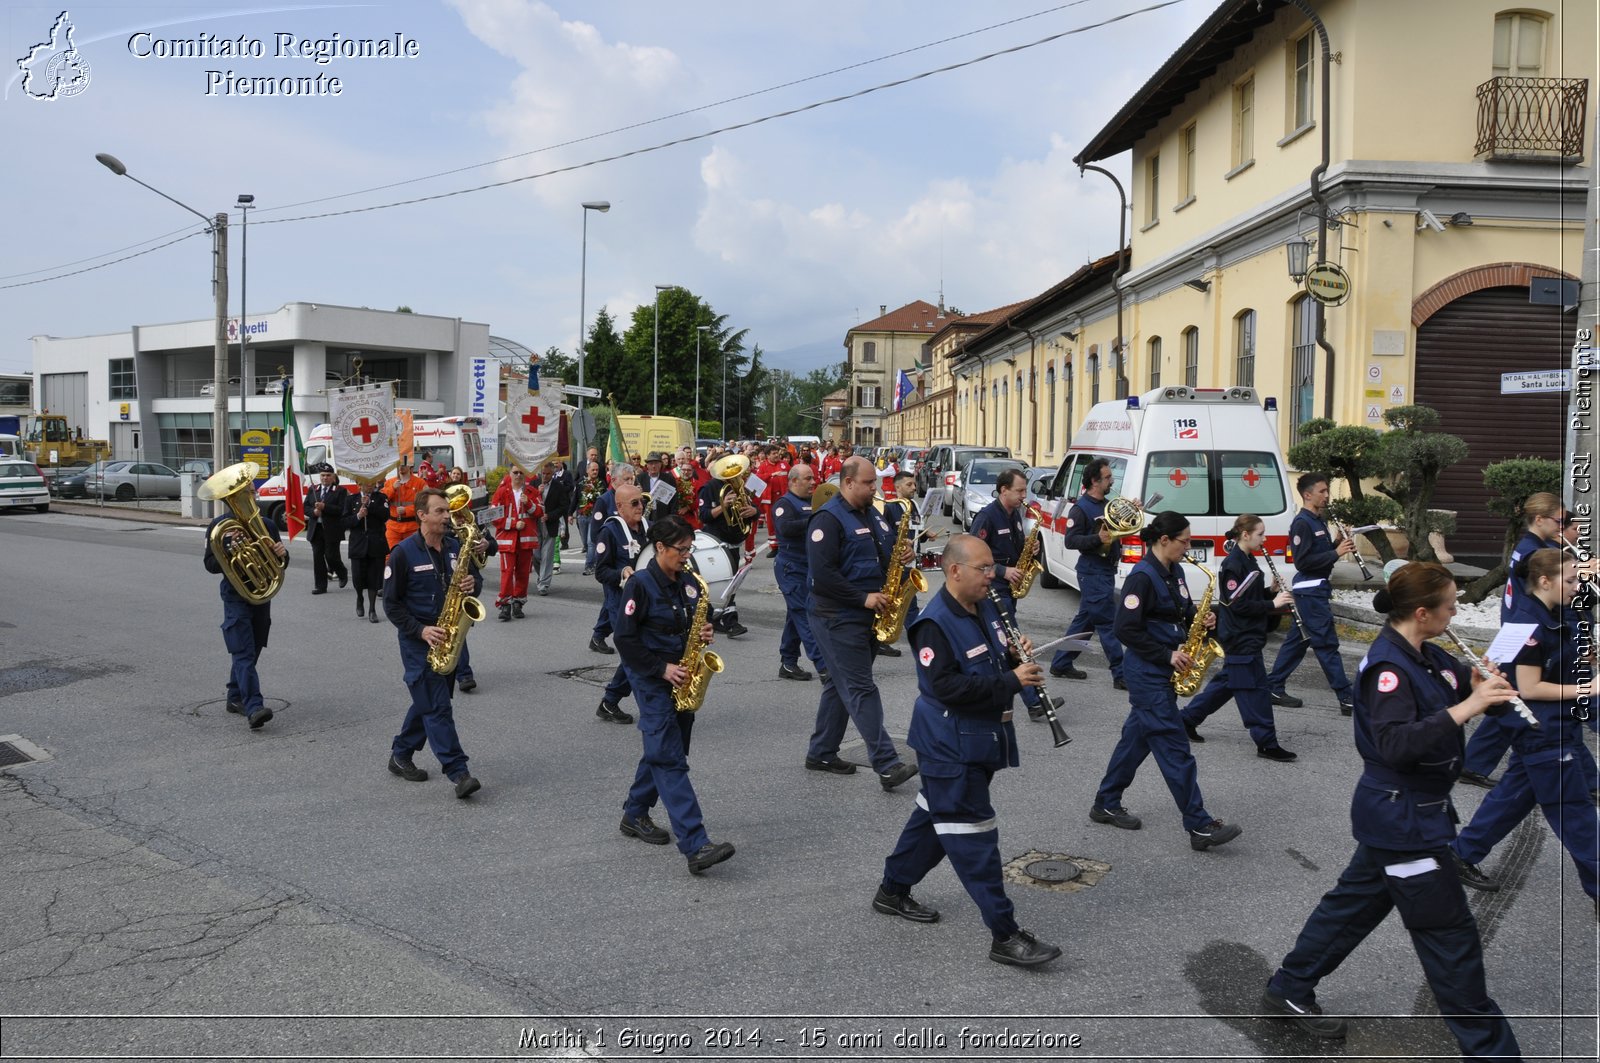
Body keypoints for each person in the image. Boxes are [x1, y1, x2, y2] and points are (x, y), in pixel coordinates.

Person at [1261, 562, 1522, 1058]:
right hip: (1404, 820)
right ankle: (1493, 1052)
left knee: (1353, 905)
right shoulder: (1387, 667)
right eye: (1450, 606)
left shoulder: (1427, 652)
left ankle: (1289, 987)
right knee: (1451, 942)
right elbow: (1397, 743)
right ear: (1422, 613)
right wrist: (1468, 707)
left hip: (1406, 815)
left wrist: (1477, 682)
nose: (1455, 611)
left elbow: (1452, 687)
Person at [873, 533, 1063, 967]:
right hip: (950, 745)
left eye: (993, 567)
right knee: (974, 838)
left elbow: (991, 657)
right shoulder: (934, 624)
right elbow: (945, 687)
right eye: (984, 568)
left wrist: (1015, 656)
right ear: (954, 570)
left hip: (978, 739)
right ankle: (1006, 934)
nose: (992, 575)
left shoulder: (985, 605)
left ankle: (892, 889)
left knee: (933, 820)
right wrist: (1011, 681)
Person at [1088, 511, 1241, 849]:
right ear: (1164, 540)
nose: (1188, 547)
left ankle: (1105, 803)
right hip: (1147, 674)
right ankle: (1199, 826)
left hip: (1162, 672)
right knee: (1175, 749)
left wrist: (1201, 619)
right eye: (1184, 541)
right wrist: (1167, 654)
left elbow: (1181, 610)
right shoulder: (1141, 577)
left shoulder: (1176, 571)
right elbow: (1125, 628)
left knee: (1135, 740)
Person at [1450, 549, 1597, 900]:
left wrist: (1582, 655)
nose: (1577, 587)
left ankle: (1460, 853)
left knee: (1514, 796)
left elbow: (1500, 661)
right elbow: (1529, 687)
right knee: (1577, 817)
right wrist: (1587, 687)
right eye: (1571, 580)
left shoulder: (1549, 613)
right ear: (1545, 581)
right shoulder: (1528, 623)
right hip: (1542, 731)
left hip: (1548, 729)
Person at [615, 515, 736, 875]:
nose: (687, 556)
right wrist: (661, 668)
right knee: (669, 758)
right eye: (682, 550)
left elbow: (697, 617)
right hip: (652, 676)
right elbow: (624, 638)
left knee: (667, 748)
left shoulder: (689, 582)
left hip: (683, 675)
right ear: (661, 548)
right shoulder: (638, 585)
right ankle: (695, 844)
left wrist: (703, 631)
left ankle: (635, 813)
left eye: (690, 549)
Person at [804, 456, 919, 790]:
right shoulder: (827, 520)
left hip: (867, 615)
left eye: (876, 483)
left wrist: (903, 554)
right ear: (848, 482)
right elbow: (823, 576)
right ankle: (886, 764)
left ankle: (822, 751)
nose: (876, 488)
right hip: (836, 616)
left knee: (839, 685)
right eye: (869, 483)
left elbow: (885, 555)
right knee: (860, 687)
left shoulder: (874, 513)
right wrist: (862, 597)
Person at [1458, 492, 1567, 788]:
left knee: (1511, 697)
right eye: (1559, 520)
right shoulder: (1534, 551)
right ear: (1540, 519)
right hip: (1525, 630)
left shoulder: (1535, 545)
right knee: (1513, 697)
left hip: (1521, 627)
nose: (1563, 525)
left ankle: (1474, 763)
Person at [384, 488, 487, 799]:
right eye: (440, 511)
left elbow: (474, 584)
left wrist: (473, 583)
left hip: (449, 635)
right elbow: (391, 605)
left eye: (447, 511)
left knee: (428, 702)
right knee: (438, 707)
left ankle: (401, 753)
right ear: (422, 516)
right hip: (420, 642)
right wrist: (421, 631)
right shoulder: (402, 553)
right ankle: (458, 772)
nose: (447, 517)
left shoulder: (456, 547)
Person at [1179, 514, 1299, 760]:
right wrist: (1273, 604)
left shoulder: (1247, 558)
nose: (1264, 539)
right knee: (1254, 690)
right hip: (1240, 637)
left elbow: (1249, 596)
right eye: (1260, 534)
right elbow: (1238, 606)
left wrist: (1270, 591)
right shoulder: (1233, 564)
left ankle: (1186, 720)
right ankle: (1266, 742)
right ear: (1246, 535)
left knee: (1228, 683)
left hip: (1248, 635)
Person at [968, 467, 1058, 717]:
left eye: (1024, 490)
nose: (1023, 496)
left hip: (1009, 590)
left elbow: (1016, 547)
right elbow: (972, 556)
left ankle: (1016, 698)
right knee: (1015, 644)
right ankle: (1034, 701)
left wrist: (1031, 547)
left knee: (1003, 647)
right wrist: (1002, 571)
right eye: (1019, 491)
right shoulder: (987, 517)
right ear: (1003, 490)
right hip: (994, 591)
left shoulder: (1015, 513)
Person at [1266, 472, 1357, 715]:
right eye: (1322, 492)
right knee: (1326, 644)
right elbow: (1303, 562)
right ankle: (1346, 697)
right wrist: (1336, 553)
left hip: (1316, 589)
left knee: (1299, 640)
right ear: (1308, 495)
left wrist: (1336, 543)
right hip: (1310, 592)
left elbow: (1319, 556)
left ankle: (1274, 686)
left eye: (1327, 491)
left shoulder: (1318, 521)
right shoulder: (1302, 523)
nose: (1327, 496)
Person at [203, 502, 288, 730]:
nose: (249, 496)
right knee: (243, 650)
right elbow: (209, 564)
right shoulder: (219, 526)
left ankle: (234, 695)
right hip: (235, 594)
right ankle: (253, 707)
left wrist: (283, 553)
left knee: (256, 644)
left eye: (250, 491)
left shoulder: (267, 525)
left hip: (261, 592)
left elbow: (281, 563)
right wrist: (228, 546)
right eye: (245, 492)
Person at [1050, 458, 1127, 689]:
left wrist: (1132, 511)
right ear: (1095, 481)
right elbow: (1072, 541)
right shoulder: (1080, 508)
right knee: (1107, 623)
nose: (1111, 481)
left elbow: (1120, 528)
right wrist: (1097, 539)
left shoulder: (1108, 504)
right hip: (1093, 572)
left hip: (1105, 570)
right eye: (1107, 478)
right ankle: (1121, 674)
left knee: (1085, 623)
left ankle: (1061, 663)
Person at [594, 483, 649, 724]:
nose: (641, 507)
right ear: (619, 506)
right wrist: (621, 573)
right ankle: (650, 707)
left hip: (645, 600)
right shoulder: (610, 531)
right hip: (620, 602)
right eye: (634, 503)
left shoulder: (647, 527)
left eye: (642, 501)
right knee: (635, 653)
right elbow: (601, 571)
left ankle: (610, 701)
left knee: (638, 652)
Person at [771, 463, 825, 681]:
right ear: (794, 481)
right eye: (808, 478)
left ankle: (788, 662)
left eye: (813, 478)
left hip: (807, 565)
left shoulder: (811, 503)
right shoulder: (784, 504)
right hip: (790, 566)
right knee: (804, 614)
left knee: (795, 614)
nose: (813, 482)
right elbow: (784, 528)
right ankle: (824, 667)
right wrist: (814, 519)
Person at [698, 464, 756, 638]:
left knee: (730, 582)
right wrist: (722, 505)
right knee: (725, 582)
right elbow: (704, 516)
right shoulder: (709, 487)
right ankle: (731, 623)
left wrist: (753, 511)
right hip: (716, 543)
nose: (732, 475)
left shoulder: (739, 486)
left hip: (733, 542)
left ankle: (714, 619)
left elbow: (753, 509)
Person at [587, 462, 635, 654]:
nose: (631, 482)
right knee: (616, 604)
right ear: (614, 480)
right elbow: (596, 534)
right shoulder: (604, 501)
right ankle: (628, 649)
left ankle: (597, 637)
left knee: (612, 602)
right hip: (612, 564)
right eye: (626, 479)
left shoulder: (634, 500)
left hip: (630, 562)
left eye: (632, 479)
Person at [492, 467, 541, 620]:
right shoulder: (501, 492)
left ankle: (518, 603)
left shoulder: (532, 492)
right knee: (507, 573)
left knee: (523, 573)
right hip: (508, 541)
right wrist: (513, 524)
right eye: (515, 472)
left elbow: (540, 512)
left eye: (521, 472)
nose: (518, 475)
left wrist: (529, 504)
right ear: (510, 474)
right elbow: (494, 517)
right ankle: (505, 605)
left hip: (526, 541)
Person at [343, 480, 390, 622]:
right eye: (366, 483)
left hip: (376, 543)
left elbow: (385, 515)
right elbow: (344, 521)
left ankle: (372, 609)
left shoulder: (381, 498)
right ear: (359, 484)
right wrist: (358, 516)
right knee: (358, 577)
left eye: (371, 483)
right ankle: (359, 597)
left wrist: (370, 505)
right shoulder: (351, 499)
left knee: (374, 578)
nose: (370, 485)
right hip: (358, 544)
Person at [304, 464, 350, 594]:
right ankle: (320, 586)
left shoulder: (340, 491)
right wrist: (313, 512)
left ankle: (342, 572)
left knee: (331, 556)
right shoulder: (314, 489)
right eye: (323, 475)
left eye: (328, 475)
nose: (325, 478)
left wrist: (325, 507)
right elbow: (305, 506)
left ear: (333, 477)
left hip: (332, 529)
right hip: (316, 529)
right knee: (318, 558)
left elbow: (342, 509)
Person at [534, 460, 570, 595]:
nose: (545, 476)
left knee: (547, 557)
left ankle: (543, 584)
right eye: (543, 473)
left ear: (553, 473)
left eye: (548, 474)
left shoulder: (558, 487)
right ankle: (541, 575)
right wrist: (537, 492)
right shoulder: (534, 484)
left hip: (550, 525)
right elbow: (527, 502)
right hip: (535, 525)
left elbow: (563, 507)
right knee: (536, 556)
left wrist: (550, 515)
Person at [384, 457, 428, 554]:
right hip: (393, 527)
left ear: (410, 466)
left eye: (403, 465)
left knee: (414, 555)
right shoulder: (390, 482)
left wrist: (407, 510)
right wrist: (393, 488)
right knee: (391, 555)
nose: (401, 467)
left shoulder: (420, 483)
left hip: (412, 527)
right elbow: (382, 499)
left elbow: (425, 503)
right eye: (398, 465)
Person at [577, 460, 604, 575]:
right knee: (585, 543)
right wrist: (569, 514)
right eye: (593, 470)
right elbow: (575, 498)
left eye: (597, 470)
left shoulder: (601, 484)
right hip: (582, 515)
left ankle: (589, 566)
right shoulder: (581, 483)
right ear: (587, 470)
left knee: (591, 542)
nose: (595, 472)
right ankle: (592, 560)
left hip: (595, 517)